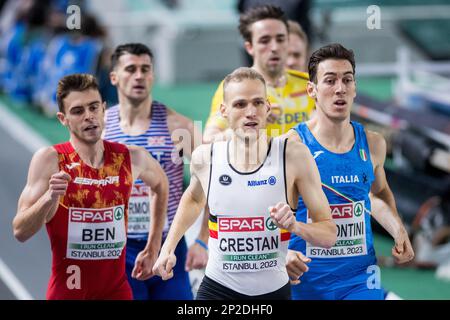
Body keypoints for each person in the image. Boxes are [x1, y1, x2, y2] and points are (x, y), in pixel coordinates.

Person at [153, 67, 337, 300]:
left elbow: (329, 234)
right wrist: (168, 248)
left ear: (268, 107)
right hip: (217, 288)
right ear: (224, 111)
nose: (251, 112)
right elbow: (195, 198)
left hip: (272, 292)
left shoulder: (293, 157)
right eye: (240, 104)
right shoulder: (205, 158)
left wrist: (295, 227)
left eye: (258, 103)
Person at [12, 73, 169, 300]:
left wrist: (154, 246)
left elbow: (161, 184)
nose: (89, 116)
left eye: (94, 107)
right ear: (62, 118)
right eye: (78, 111)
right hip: (67, 294)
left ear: (104, 109)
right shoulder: (50, 160)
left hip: (117, 293)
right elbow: (20, 231)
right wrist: (49, 197)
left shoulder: (131, 158)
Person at [286, 43, 415, 300]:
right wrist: (283, 255)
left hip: (359, 283)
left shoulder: (374, 143)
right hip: (304, 283)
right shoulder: (291, 145)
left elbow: (376, 195)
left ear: (355, 88)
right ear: (312, 90)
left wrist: (399, 230)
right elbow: (269, 210)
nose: (340, 88)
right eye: (330, 80)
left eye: (347, 80)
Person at [103, 43, 207, 300]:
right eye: (130, 69)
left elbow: (214, 182)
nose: (138, 75)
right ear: (114, 77)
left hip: (168, 246)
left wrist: (203, 239)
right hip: (117, 247)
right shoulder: (100, 127)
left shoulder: (178, 127)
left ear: (153, 76)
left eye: (145, 69)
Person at [204, 5, 315, 143]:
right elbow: (208, 140)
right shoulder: (234, 87)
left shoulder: (308, 84)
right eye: (265, 41)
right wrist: (245, 126)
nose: (274, 47)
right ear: (249, 47)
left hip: (304, 163)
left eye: (280, 39)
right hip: (260, 163)